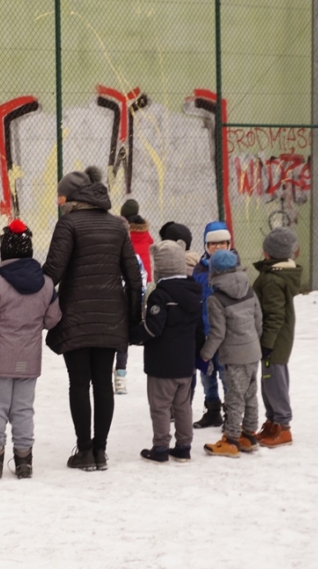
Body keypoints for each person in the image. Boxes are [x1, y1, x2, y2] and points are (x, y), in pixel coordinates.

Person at [43, 166, 143, 471]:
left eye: (60, 195)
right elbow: (134, 277)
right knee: (102, 384)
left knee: (79, 383)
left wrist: (30, 294)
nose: (57, 201)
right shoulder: (117, 226)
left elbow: (53, 273)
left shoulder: (68, 224)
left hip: (75, 316)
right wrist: (132, 320)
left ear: (72, 197)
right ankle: (100, 451)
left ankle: (84, 450)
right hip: (111, 317)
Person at [0, 219, 62, 479]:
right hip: (28, 359)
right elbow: (53, 319)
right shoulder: (47, 284)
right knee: (23, 409)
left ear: (4, 251)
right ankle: (24, 461)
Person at [129, 241, 203, 463]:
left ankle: (160, 447)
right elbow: (199, 328)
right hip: (186, 363)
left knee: (160, 406)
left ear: (160, 267)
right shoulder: (194, 292)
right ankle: (184, 446)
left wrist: (132, 335)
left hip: (162, 363)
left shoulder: (160, 295)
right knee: (182, 406)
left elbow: (154, 327)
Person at [199, 250, 263, 458]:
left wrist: (205, 354)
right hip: (253, 352)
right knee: (250, 395)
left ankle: (231, 439)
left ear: (213, 271)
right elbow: (258, 321)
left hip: (234, 356)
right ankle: (249, 435)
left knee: (234, 397)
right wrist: (254, 342)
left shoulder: (215, 299)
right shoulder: (249, 290)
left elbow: (217, 333)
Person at [252, 227, 302, 448]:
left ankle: (283, 425)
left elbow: (274, 315)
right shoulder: (274, 274)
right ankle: (273, 421)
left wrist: (267, 343)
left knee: (274, 381)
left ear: (268, 252)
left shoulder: (272, 279)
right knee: (270, 379)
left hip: (274, 340)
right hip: (275, 339)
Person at [191, 221, 237, 429]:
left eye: (222, 243)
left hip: (226, 335)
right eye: (212, 244)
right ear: (206, 246)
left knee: (226, 375)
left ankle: (231, 413)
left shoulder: (233, 268)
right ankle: (212, 410)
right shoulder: (199, 269)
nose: (217, 247)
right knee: (206, 374)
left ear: (229, 244)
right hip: (205, 332)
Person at [113, 215, 148, 395]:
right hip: (108, 305)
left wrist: (138, 300)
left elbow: (141, 280)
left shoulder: (134, 258)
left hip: (126, 305)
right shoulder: (105, 257)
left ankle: (121, 374)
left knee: (123, 340)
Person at [119, 198, 153, 283]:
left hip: (129, 271)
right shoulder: (144, 230)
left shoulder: (123, 230)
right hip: (145, 271)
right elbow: (151, 241)